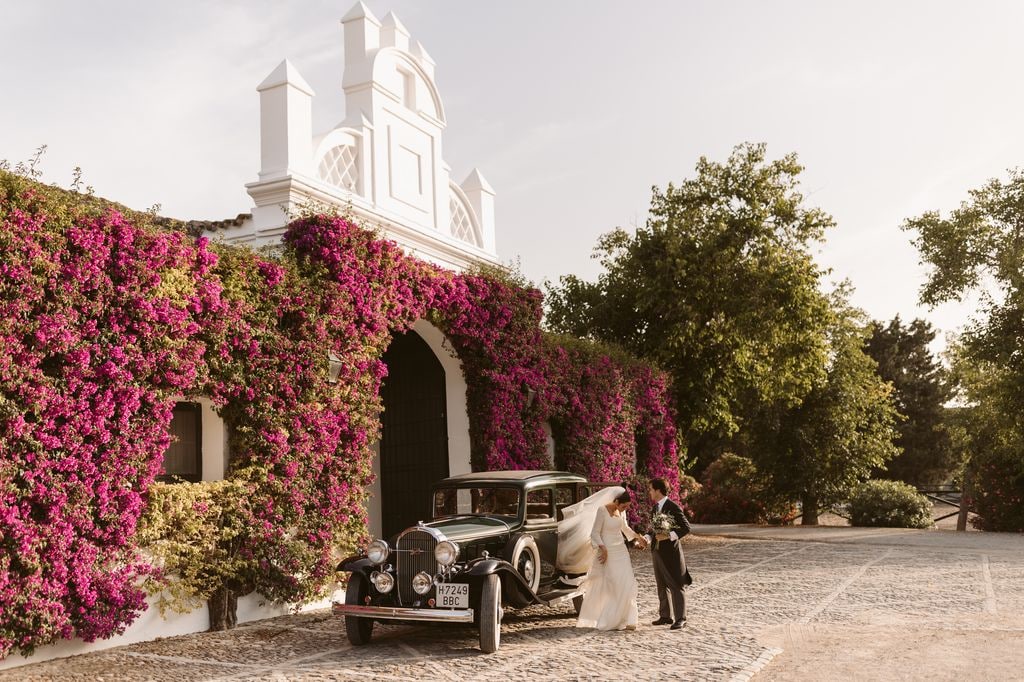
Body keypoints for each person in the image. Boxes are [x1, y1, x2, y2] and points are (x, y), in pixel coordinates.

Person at [560, 487, 648, 631]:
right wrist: (603, 548)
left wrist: (639, 537)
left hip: (621, 551)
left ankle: (629, 618)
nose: (625, 509)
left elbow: (625, 528)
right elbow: (595, 533)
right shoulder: (602, 511)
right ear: (616, 501)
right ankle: (612, 618)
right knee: (614, 584)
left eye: (627, 507)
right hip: (609, 552)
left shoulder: (621, 511)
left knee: (627, 582)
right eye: (623, 506)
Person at [643, 477, 692, 630]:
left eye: (651, 489)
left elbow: (686, 527)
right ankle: (665, 616)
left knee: (676, 584)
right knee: (661, 584)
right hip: (656, 552)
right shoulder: (655, 508)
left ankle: (681, 618)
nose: (649, 492)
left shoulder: (673, 506)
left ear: (658, 490)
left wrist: (669, 535)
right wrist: (646, 538)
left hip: (671, 553)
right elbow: (653, 530)